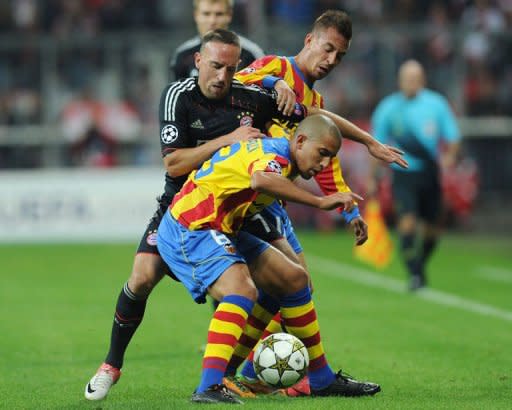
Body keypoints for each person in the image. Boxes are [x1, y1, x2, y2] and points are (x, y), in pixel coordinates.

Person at [84, 28, 403, 401]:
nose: (223, 76)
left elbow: (319, 118)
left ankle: (314, 377)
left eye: (231, 68)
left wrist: (369, 143)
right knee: (159, 281)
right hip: (191, 218)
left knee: (293, 280)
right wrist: (317, 202)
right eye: (216, 66)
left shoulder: (264, 111)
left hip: (230, 217)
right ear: (199, 62)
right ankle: (176, 378)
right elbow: (209, 170)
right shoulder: (256, 144)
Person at [223, 10, 407, 397]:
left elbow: (326, 166)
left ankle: (250, 373)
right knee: (293, 282)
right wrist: (274, 82)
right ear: (309, 40)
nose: (331, 60)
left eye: (339, 56)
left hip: (272, 203)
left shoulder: (315, 100)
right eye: (327, 49)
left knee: (290, 288)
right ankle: (294, 376)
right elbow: (235, 84)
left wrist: (351, 210)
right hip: (248, 193)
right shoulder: (278, 66)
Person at [157, 113, 379, 404]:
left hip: (224, 228)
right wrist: (319, 201)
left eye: (331, 157)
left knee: (293, 279)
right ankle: (209, 386)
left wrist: (349, 213)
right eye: (322, 153)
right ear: (299, 141)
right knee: (242, 290)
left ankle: (320, 379)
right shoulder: (276, 158)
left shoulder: (283, 160)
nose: (324, 163)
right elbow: (261, 179)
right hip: (191, 226)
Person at [370, 59, 461, 291]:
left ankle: (419, 266)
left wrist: (450, 156)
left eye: (415, 78)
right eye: (406, 79)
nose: (410, 83)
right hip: (403, 174)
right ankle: (414, 273)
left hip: (430, 173)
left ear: (422, 80)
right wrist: (373, 176)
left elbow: (453, 136)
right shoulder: (388, 108)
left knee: (433, 229)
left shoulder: (436, 104)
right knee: (408, 223)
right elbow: (376, 144)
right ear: (400, 81)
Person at [170, 0, 264, 80]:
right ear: (196, 15)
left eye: (219, 14)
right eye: (206, 14)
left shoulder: (251, 54)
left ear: (229, 15)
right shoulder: (182, 55)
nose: (212, 21)